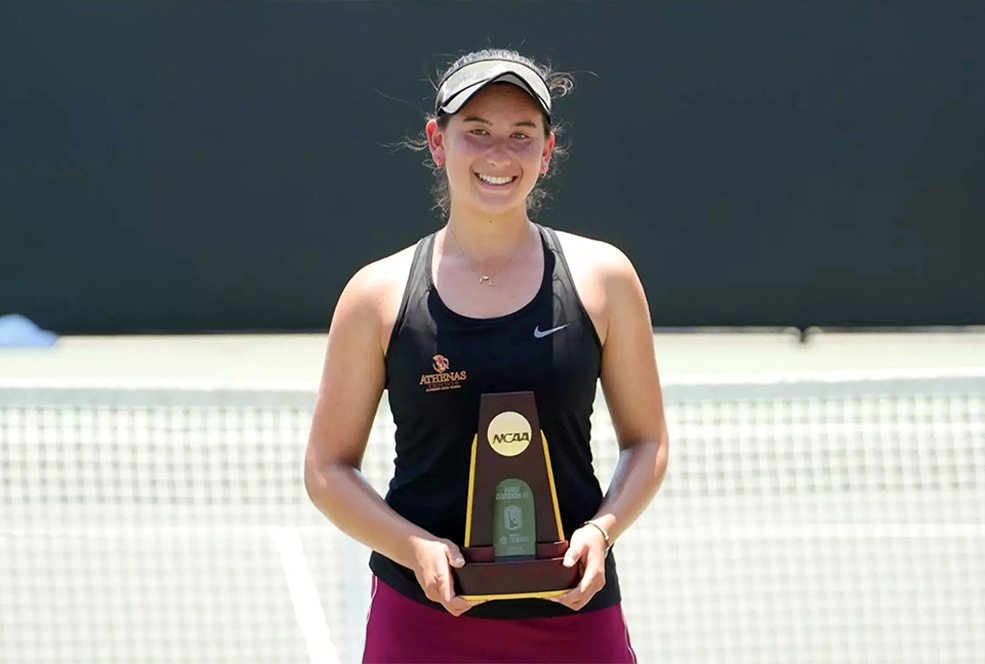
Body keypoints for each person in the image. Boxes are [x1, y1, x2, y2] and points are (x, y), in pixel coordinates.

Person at [305, 48, 669, 664]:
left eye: (521, 135)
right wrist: (415, 549)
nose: (499, 154)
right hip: (420, 621)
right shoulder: (377, 295)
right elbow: (327, 469)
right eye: (476, 131)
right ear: (437, 141)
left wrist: (601, 533)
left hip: (572, 616)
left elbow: (648, 443)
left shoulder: (605, 278)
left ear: (547, 152)